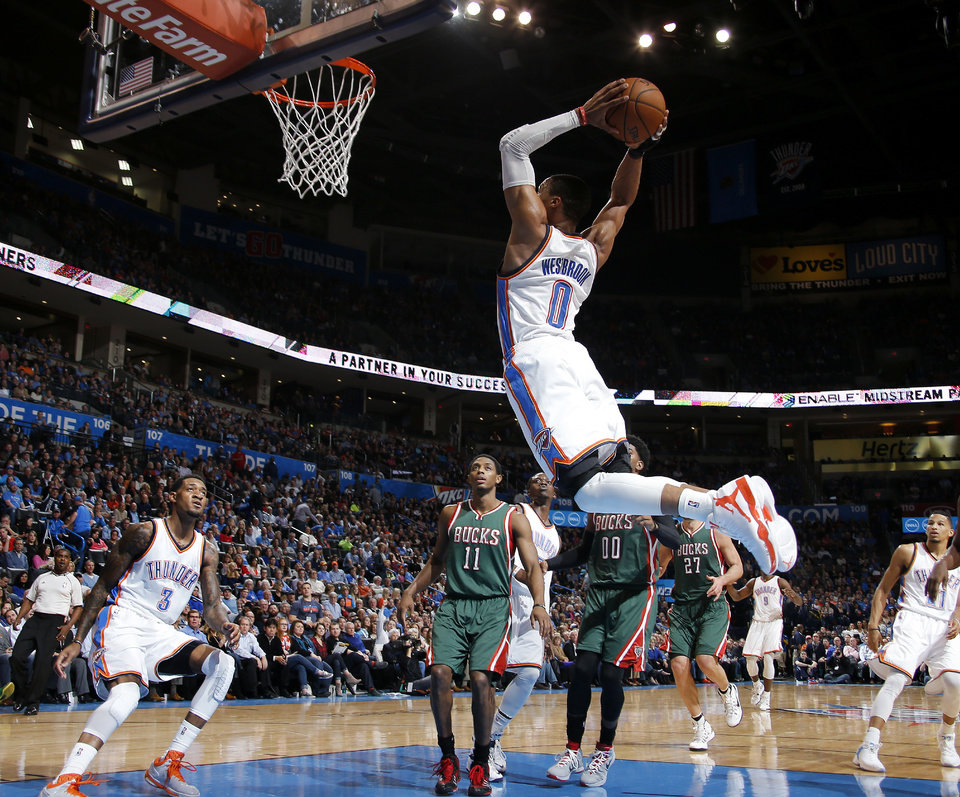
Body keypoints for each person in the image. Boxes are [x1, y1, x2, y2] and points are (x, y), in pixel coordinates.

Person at [496, 80, 795, 576]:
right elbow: (619, 202)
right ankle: (732, 511)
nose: (534, 192)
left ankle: (726, 504)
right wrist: (638, 147)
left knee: (586, 490)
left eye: (540, 189)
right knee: (609, 493)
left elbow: (512, 145)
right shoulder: (593, 250)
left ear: (549, 204)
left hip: (536, 359)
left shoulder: (529, 235)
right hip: (579, 361)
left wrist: (580, 115)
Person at [40, 474, 240, 797]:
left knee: (224, 665)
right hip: (123, 621)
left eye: (204, 492)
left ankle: (166, 764)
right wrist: (78, 640)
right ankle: (65, 779)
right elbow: (102, 587)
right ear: (172, 496)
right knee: (127, 697)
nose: (199, 496)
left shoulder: (207, 551)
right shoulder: (144, 532)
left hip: (162, 631)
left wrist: (225, 625)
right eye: (191, 490)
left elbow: (213, 607)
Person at [399, 454, 551, 797]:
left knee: (482, 680)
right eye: (474, 467)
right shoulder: (451, 514)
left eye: (487, 467)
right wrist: (411, 590)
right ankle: (449, 758)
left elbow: (533, 566)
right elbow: (437, 560)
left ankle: (480, 761)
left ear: (499, 478)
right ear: (468, 476)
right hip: (454, 603)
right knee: (439, 674)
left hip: (494, 606)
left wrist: (539, 605)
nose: (480, 471)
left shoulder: (514, 517)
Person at [542, 436, 681, 786]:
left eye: (628, 449)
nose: (620, 451)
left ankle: (604, 750)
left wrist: (657, 525)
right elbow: (583, 552)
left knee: (610, 674)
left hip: (635, 595)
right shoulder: (599, 502)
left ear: (638, 465)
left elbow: (681, 542)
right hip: (600, 593)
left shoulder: (653, 495)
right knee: (581, 669)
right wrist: (547, 564)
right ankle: (573, 750)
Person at [855, 509, 960, 773]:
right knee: (896, 679)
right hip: (913, 619)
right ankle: (868, 746)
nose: (933, 526)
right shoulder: (907, 551)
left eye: (940, 523)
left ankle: (946, 738)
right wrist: (873, 626)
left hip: (945, 626)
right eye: (930, 523)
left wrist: (958, 617)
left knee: (955, 682)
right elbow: (882, 589)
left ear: (951, 532)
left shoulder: (957, 560)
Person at [487, 471, 561, 782]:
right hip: (506, 597)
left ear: (555, 492)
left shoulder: (556, 535)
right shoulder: (520, 512)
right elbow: (520, 566)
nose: (542, 480)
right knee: (489, 676)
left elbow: (545, 577)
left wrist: (545, 610)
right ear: (527, 490)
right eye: (534, 478)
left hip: (534, 605)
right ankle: (483, 747)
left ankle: (492, 736)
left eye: (547, 479)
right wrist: (532, 587)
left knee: (530, 672)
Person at [659, 518, 744, 751]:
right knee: (678, 665)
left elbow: (737, 566)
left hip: (711, 606)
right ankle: (700, 725)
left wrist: (723, 579)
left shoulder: (716, 531)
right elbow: (658, 566)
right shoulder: (672, 534)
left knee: (705, 660)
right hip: (682, 608)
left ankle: (728, 691)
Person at [9, 547, 83, 715]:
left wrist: (67, 626)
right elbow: (29, 600)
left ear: (69, 561)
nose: (62, 559)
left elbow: (78, 608)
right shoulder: (41, 578)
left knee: (42, 664)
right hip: (35, 620)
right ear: (54, 559)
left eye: (65, 557)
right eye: (59, 556)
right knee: (16, 657)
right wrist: (20, 616)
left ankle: (33, 702)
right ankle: (21, 695)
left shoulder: (73, 581)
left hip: (55, 623)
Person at [726, 573, 801, 711]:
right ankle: (756, 685)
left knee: (767, 657)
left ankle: (766, 696)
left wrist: (794, 596)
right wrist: (728, 584)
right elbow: (736, 596)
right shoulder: (754, 582)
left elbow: (799, 602)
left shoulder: (780, 581)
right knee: (749, 658)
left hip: (774, 621)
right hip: (758, 622)